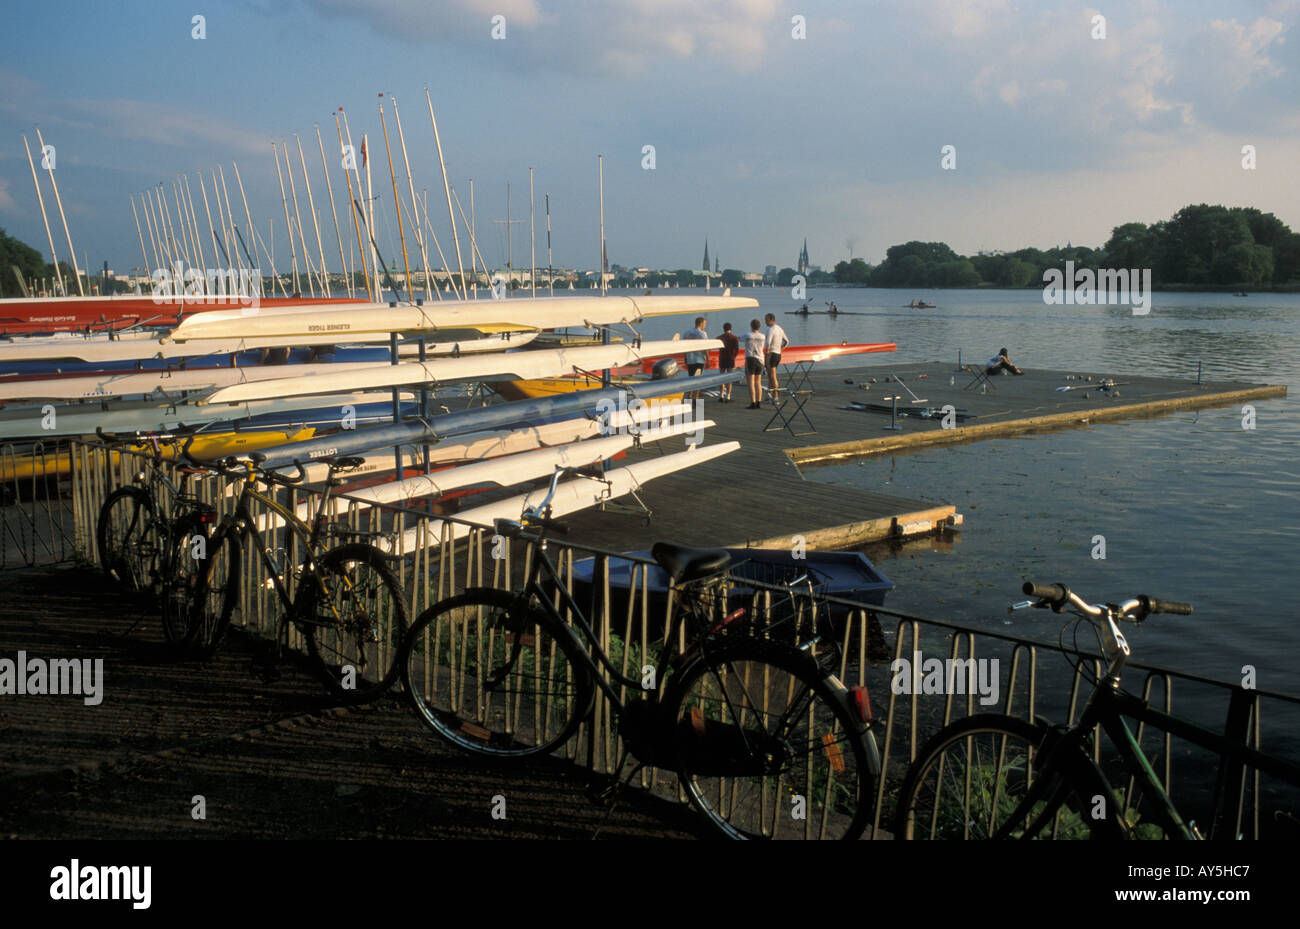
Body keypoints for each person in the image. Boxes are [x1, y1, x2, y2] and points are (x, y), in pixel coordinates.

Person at [681, 316, 708, 400]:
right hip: (700, 359)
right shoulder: (703, 333)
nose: (705, 326)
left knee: (691, 379)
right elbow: (705, 347)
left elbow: (684, 346)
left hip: (690, 359)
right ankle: (696, 399)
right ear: (701, 323)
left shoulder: (687, 333)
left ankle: (689, 397)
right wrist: (708, 358)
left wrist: (685, 357)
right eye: (704, 324)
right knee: (698, 380)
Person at [742, 318, 766, 408]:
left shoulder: (748, 335)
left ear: (751, 326)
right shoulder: (763, 336)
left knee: (751, 382)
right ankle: (759, 402)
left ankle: (753, 402)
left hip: (750, 358)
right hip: (760, 359)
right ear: (759, 326)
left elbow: (739, 338)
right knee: (758, 382)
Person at [764, 312, 788, 400]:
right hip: (778, 354)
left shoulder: (771, 329)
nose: (765, 322)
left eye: (766, 320)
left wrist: (766, 353)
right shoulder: (779, 329)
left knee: (772, 376)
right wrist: (780, 348)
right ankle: (769, 394)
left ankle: (776, 395)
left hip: (771, 354)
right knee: (770, 375)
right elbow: (786, 341)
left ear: (771, 320)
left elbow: (767, 343)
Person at [717, 321, 740, 402]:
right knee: (729, 378)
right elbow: (737, 350)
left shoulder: (719, 337)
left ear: (724, 329)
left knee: (721, 377)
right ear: (731, 329)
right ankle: (728, 396)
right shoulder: (734, 338)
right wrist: (734, 356)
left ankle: (721, 395)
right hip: (730, 359)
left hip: (722, 358)